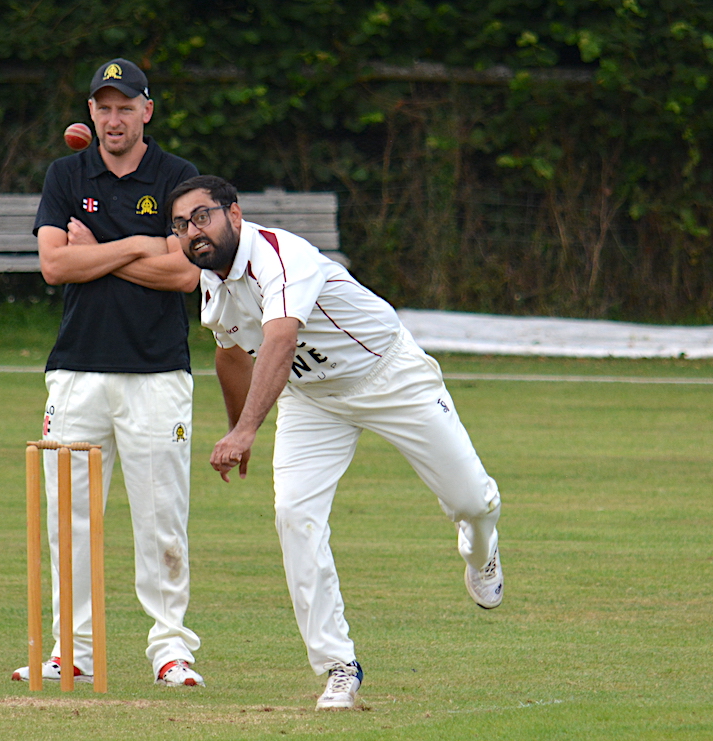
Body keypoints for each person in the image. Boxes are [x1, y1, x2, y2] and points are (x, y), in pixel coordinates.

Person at [165, 175, 503, 710]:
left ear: (234, 214)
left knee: (472, 500)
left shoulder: (279, 256)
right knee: (294, 517)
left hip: (388, 375)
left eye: (201, 217)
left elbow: (279, 339)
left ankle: (480, 546)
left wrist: (250, 426)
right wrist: (238, 427)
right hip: (310, 400)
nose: (191, 232)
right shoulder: (214, 283)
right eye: (180, 226)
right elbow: (230, 353)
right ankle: (338, 666)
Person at [11, 59, 204, 688]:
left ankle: (171, 651)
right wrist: (139, 245)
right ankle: (73, 650)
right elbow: (53, 267)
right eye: (103, 107)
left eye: (126, 106)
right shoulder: (66, 174)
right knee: (68, 520)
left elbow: (185, 274)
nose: (113, 118)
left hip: (157, 374)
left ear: (148, 109)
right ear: (90, 112)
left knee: (161, 520)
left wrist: (94, 246)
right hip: (77, 373)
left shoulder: (178, 178)